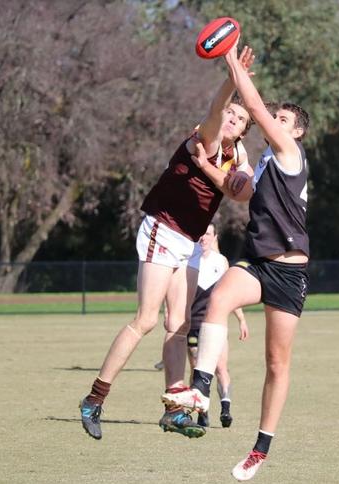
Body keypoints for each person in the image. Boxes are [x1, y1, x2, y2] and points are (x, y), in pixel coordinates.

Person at [78, 48, 256, 441]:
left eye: (241, 118)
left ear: (244, 133)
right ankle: (94, 398)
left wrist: (239, 160)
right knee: (145, 319)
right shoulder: (206, 137)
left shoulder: (232, 156)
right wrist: (234, 75)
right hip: (163, 228)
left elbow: (242, 192)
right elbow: (215, 107)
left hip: (189, 242)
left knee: (179, 325)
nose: (232, 116)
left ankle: (175, 408)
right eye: (232, 112)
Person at [162, 41, 310, 481]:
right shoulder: (264, 164)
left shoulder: (289, 153)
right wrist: (207, 164)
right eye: (277, 119)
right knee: (221, 298)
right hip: (257, 263)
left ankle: (261, 448)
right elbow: (237, 189)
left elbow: (258, 111)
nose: (275, 122)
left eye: (284, 120)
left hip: (290, 270)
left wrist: (230, 60)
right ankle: (200, 394)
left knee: (276, 364)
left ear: (296, 132)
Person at [187, 222, 248, 428]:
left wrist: (241, 319)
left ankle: (225, 408)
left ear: (214, 237)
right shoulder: (189, 261)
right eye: (201, 234)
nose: (204, 238)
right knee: (197, 370)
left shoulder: (221, 262)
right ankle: (202, 413)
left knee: (221, 367)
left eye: (208, 234)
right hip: (193, 325)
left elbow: (229, 295)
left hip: (216, 326)